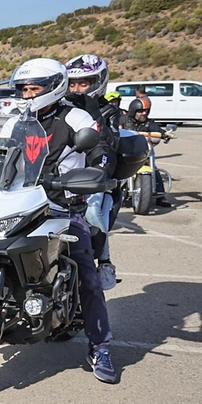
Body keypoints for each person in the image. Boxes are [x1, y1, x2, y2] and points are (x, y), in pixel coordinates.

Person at [10, 58, 117, 384]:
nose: (27, 95)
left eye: (34, 89)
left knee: (86, 272)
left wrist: (98, 168)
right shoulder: (13, 120)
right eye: (23, 89)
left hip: (63, 205)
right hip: (20, 202)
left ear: (52, 88)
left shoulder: (75, 117)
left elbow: (100, 147)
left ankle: (100, 346)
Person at [65, 54, 122, 289]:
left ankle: (104, 262)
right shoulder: (60, 109)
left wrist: (93, 114)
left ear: (98, 83)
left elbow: (111, 144)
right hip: (60, 175)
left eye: (84, 83)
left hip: (94, 177)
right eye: (73, 83)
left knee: (92, 211)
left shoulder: (108, 111)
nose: (77, 89)